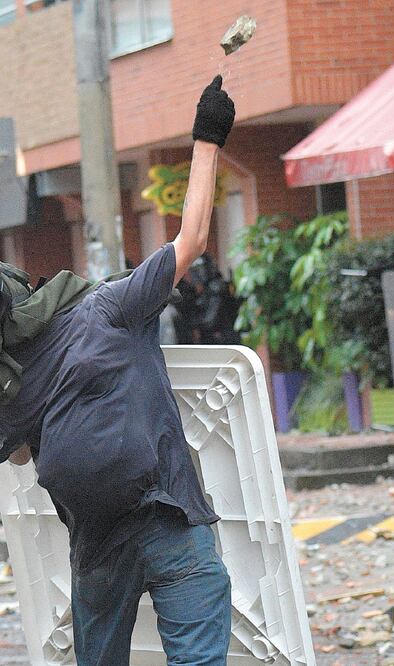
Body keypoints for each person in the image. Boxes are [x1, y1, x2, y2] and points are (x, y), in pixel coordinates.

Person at [0, 75, 236, 664]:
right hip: (168, 520)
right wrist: (208, 139)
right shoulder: (107, 308)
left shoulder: (12, 387)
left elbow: (24, 456)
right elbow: (194, 237)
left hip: (98, 546)